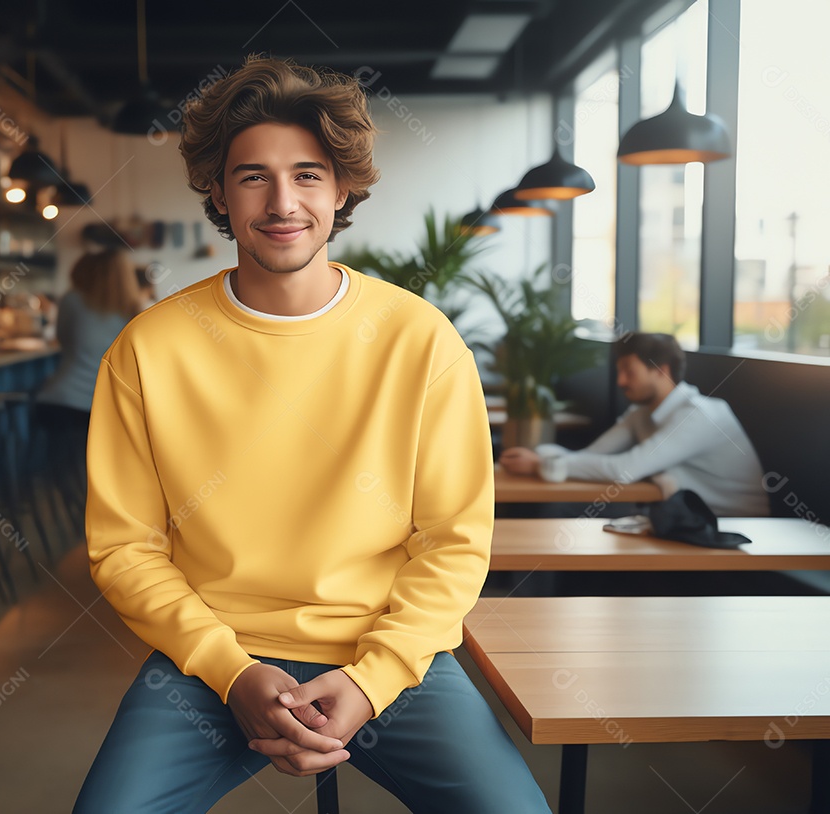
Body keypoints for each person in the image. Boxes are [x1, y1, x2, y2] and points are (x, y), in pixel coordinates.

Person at [74, 56, 550, 813]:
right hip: (211, 656)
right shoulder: (148, 348)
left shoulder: (419, 340)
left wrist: (373, 678)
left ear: (341, 189)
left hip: (387, 652)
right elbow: (125, 548)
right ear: (220, 193)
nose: (281, 201)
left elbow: (454, 542)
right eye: (252, 176)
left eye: (307, 173)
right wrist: (231, 672)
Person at [499, 332, 769, 517]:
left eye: (629, 371)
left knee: (565, 509)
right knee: (566, 507)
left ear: (661, 371)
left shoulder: (699, 414)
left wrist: (540, 464)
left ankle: (534, 598)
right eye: (619, 372)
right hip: (678, 511)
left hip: (730, 523)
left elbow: (624, 469)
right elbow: (591, 456)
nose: (620, 382)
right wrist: (543, 456)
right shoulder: (641, 412)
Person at [35, 248, 148, 502]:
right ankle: (96, 516)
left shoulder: (73, 300)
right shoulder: (136, 312)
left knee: (71, 476)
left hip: (62, 403)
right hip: (108, 407)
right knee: (104, 474)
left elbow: (63, 340)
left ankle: (75, 515)